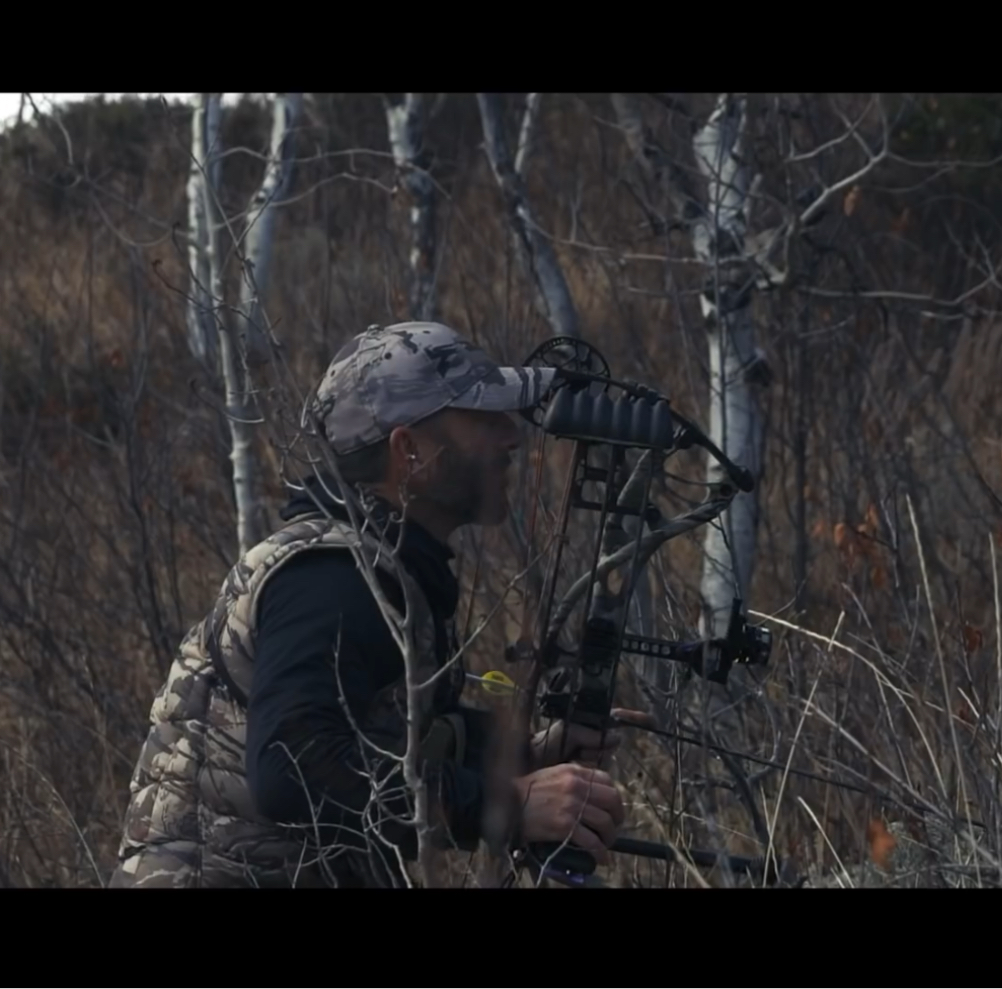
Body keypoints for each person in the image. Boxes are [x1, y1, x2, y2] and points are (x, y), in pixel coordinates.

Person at [109, 321, 643, 888]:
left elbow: (381, 731)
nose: (510, 436)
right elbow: (294, 769)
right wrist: (505, 804)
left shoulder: (383, 568)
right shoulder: (331, 578)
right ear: (408, 450)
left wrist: (521, 755)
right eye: (482, 417)